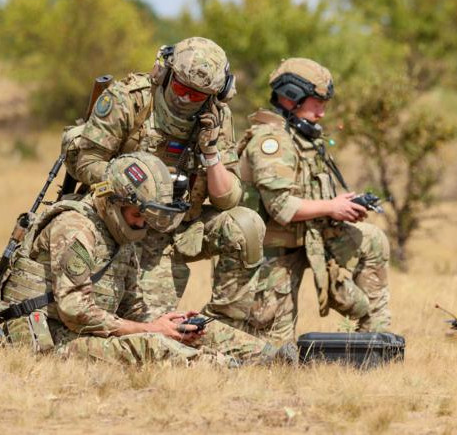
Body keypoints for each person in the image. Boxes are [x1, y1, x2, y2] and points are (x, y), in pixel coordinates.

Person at [0, 152, 280, 365]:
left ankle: (275, 358)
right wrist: (151, 330)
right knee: (152, 348)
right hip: (50, 336)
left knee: (199, 329)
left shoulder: (120, 233)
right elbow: (75, 312)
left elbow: (131, 304)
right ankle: (225, 368)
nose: (144, 224)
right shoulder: (75, 228)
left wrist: (167, 323)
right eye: (139, 214)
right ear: (115, 202)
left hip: (88, 330)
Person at [64, 36, 265, 315]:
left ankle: (224, 325)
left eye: (195, 95)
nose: (184, 97)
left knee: (246, 225)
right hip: (122, 224)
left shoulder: (218, 117)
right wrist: (132, 186)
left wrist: (210, 153)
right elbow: (86, 161)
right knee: (143, 325)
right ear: (165, 73)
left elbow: (227, 200)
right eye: (181, 86)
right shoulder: (129, 99)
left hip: (179, 227)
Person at [204, 58, 391, 341]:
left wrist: (341, 202)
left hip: (306, 241)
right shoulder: (273, 142)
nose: (322, 112)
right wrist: (332, 207)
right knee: (271, 350)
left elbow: (303, 193)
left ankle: (376, 341)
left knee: (372, 240)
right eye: (317, 102)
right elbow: (281, 208)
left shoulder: (301, 139)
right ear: (291, 97)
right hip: (268, 257)